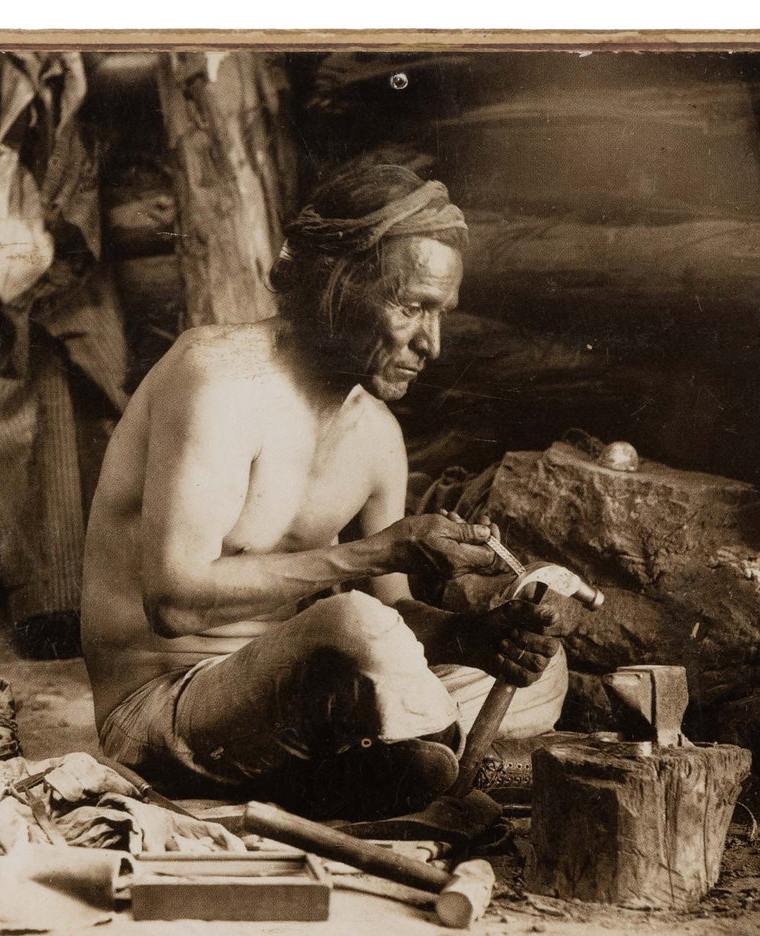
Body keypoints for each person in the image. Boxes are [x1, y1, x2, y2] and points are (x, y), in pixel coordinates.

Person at [80, 165, 566, 819]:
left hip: (286, 700)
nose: (432, 343)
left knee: (538, 669)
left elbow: (399, 619)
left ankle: (372, 771)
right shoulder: (220, 377)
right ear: (340, 283)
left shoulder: (378, 437)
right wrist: (377, 555)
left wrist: (475, 638)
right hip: (163, 711)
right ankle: (414, 772)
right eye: (411, 305)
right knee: (353, 624)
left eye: (440, 313)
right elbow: (174, 604)